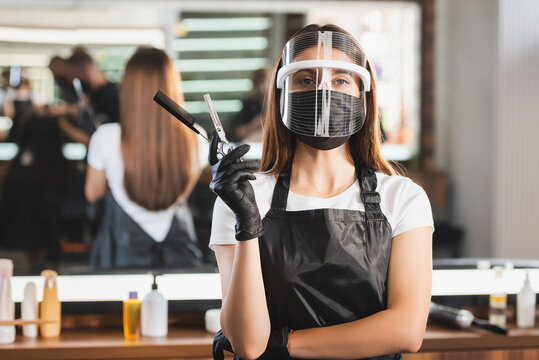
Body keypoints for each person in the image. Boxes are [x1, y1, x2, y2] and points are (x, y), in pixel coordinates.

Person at [209, 24, 433, 359]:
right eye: (306, 80)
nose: (323, 92)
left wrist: (286, 344)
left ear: (362, 93)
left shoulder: (403, 199)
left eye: (340, 80)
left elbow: (406, 330)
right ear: (283, 94)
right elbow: (249, 344)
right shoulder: (247, 200)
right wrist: (247, 224)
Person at [85, 47, 205, 269]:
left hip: (120, 257)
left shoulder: (106, 137)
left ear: (129, 89)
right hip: (180, 260)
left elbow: (93, 194)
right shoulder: (195, 139)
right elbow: (182, 192)